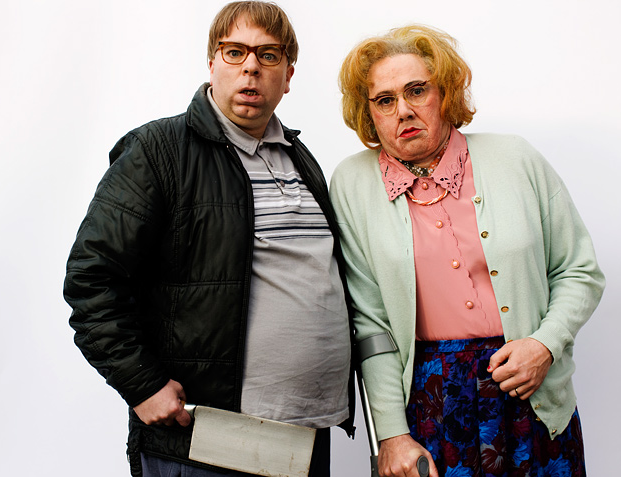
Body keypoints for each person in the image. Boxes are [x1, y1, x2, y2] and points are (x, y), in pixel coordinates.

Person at [63, 2, 354, 476]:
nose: (251, 67)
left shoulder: (299, 158)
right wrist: (142, 384)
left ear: (288, 75)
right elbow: (91, 280)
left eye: (268, 55)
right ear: (212, 64)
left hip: (305, 439)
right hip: (207, 444)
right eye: (235, 52)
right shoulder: (158, 151)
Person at [330, 25, 605, 477]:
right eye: (384, 100)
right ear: (369, 113)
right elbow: (370, 324)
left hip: (531, 392)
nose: (404, 110)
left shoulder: (516, 158)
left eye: (417, 90)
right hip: (430, 405)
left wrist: (545, 344)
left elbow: (578, 271)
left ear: (446, 92)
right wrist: (391, 435)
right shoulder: (351, 183)